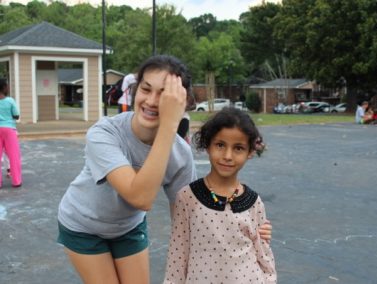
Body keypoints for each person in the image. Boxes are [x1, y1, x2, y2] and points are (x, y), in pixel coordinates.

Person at [57, 55, 273, 283]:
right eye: (146, 89)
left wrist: (248, 227)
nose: (151, 101)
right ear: (134, 90)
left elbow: (190, 217)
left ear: (182, 102)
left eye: (163, 95)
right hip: (83, 225)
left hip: (128, 227)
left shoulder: (179, 152)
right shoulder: (104, 133)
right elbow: (139, 197)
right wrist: (170, 124)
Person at [164, 107, 277, 284]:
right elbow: (178, 256)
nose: (227, 156)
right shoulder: (187, 197)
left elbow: (263, 253)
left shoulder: (254, 202)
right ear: (207, 145)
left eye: (238, 148)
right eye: (220, 145)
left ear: (250, 152)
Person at [0, 78, 22, 188]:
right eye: (7, 86)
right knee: (14, 155)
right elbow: (16, 116)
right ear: (4, 87)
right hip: (9, 129)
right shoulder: (10, 101)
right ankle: (16, 181)